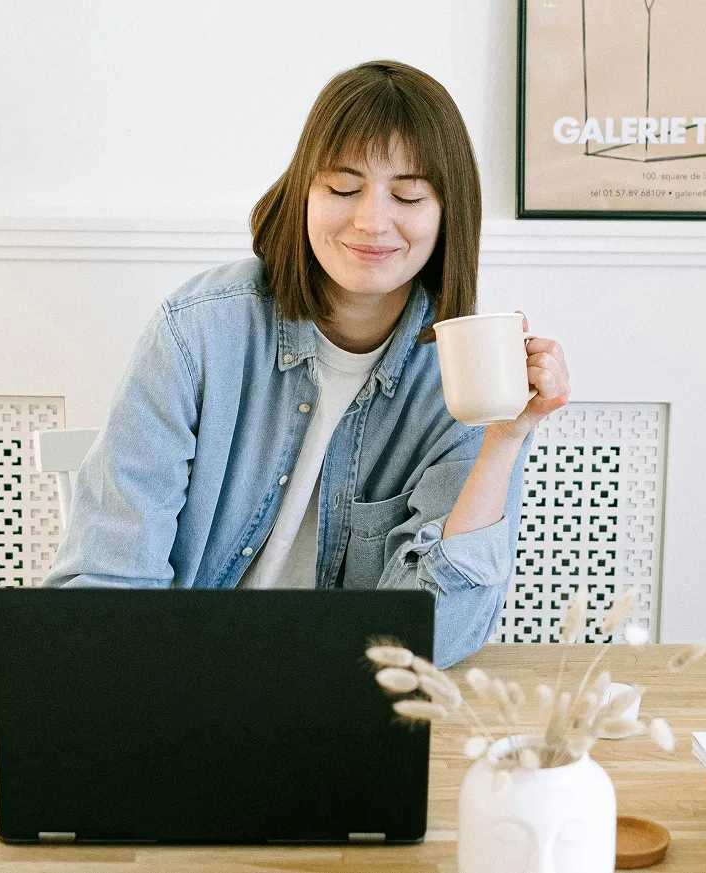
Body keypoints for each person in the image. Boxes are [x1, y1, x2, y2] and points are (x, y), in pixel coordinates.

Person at [44, 59, 570, 668]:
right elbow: (105, 589)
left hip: (345, 700)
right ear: (303, 193)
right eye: (343, 188)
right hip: (181, 678)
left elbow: (435, 638)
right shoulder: (199, 330)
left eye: (407, 194)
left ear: (448, 213)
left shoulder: (471, 371)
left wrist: (504, 437)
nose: (372, 221)